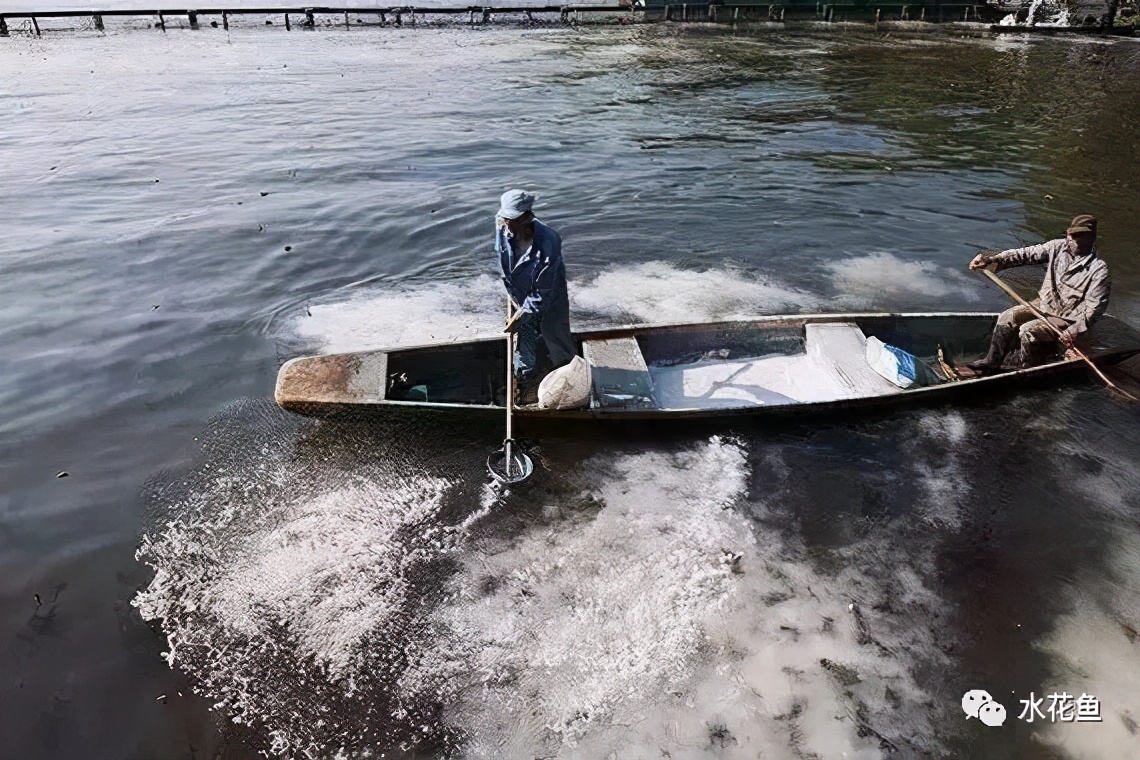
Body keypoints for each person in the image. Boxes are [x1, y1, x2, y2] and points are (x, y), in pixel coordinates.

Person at [967, 214, 1111, 372]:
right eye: (1071, 235)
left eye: (1079, 236)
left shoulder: (1099, 270)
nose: (1072, 240)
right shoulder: (1057, 247)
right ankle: (991, 361)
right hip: (1044, 305)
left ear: (1091, 238)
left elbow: (1095, 308)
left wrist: (1075, 329)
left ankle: (1025, 368)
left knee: (1028, 330)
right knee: (1007, 317)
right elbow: (1025, 254)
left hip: (1067, 318)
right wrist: (991, 260)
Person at [495, 189, 575, 401]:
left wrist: (522, 314)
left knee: (554, 328)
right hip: (517, 286)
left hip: (549, 292)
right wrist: (516, 304)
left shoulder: (549, 242)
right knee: (525, 332)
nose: (506, 223)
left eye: (511, 219)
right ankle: (525, 377)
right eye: (504, 217)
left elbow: (543, 291)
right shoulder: (501, 225)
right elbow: (501, 253)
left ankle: (565, 371)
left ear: (525, 217)